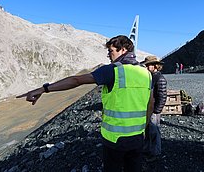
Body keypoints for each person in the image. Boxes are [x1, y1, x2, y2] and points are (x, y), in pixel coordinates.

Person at [17, 35, 152, 172]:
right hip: (137, 137)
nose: (108, 55)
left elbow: (76, 81)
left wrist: (44, 89)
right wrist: (143, 127)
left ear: (123, 50)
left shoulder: (113, 70)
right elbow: (150, 103)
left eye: (111, 51)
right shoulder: (146, 74)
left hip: (115, 139)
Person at [141, 56, 167, 162]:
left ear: (155, 66)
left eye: (149, 65)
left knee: (154, 131)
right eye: (146, 65)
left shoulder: (160, 78)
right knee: (148, 131)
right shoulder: (151, 77)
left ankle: (155, 152)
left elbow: (162, 96)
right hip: (149, 108)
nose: (147, 67)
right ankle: (148, 149)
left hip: (154, 110)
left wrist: (157, 110)